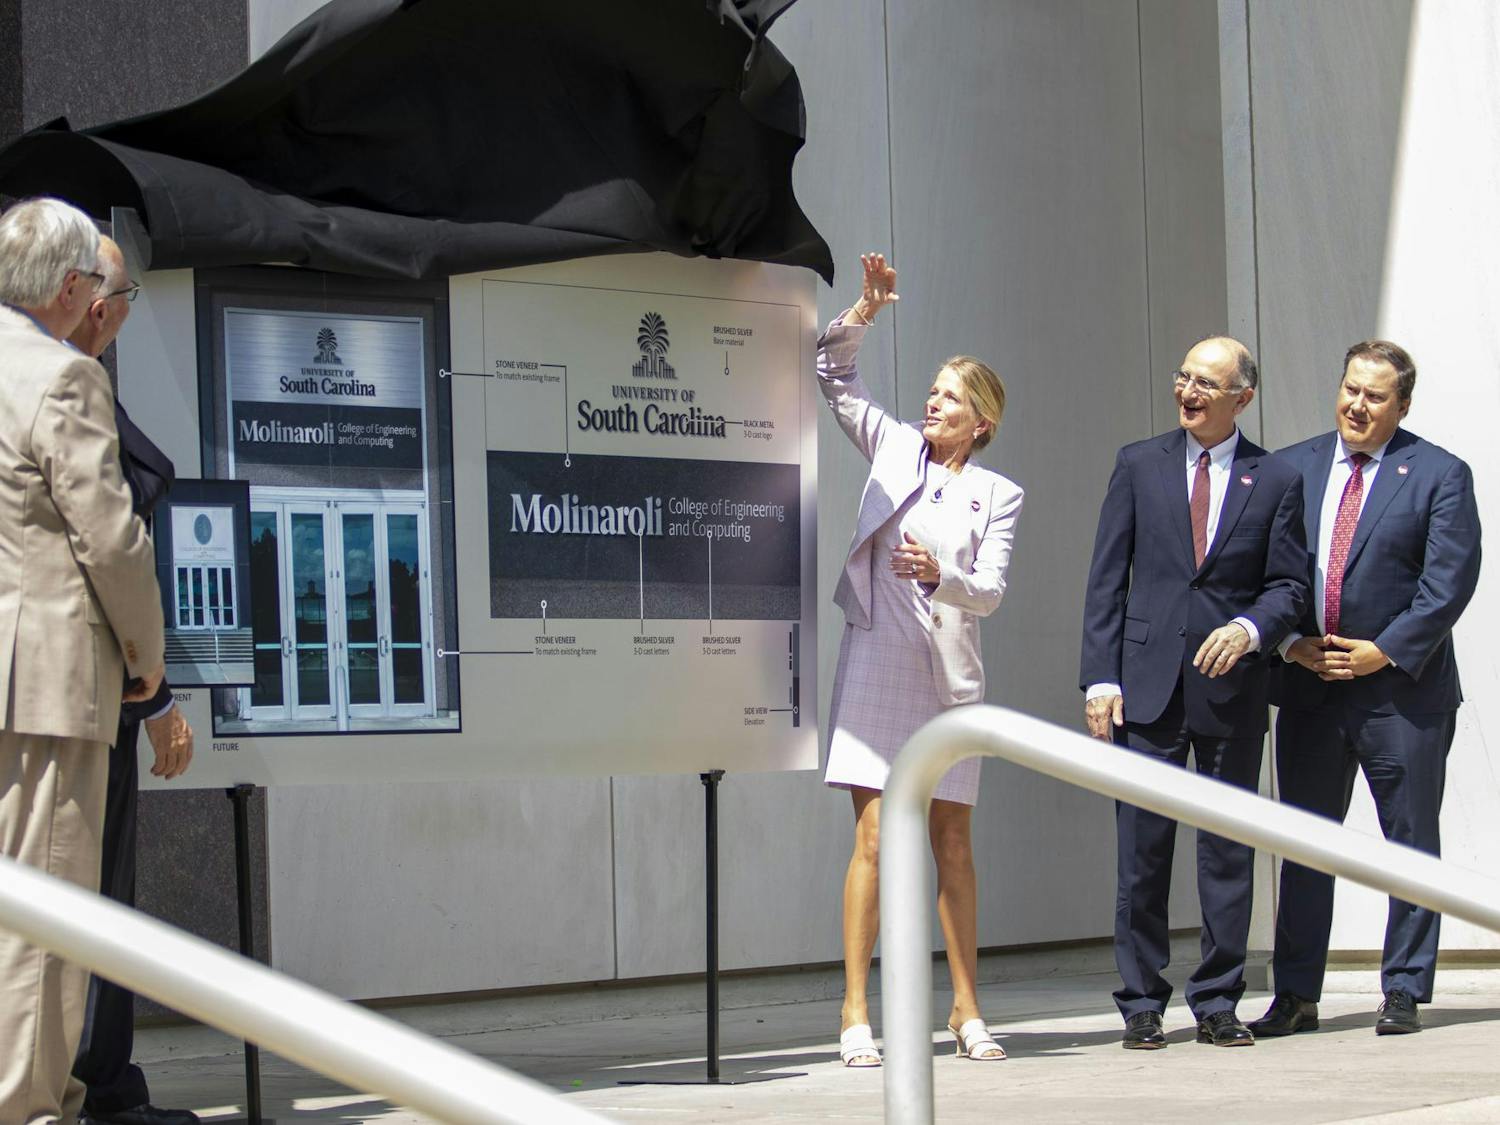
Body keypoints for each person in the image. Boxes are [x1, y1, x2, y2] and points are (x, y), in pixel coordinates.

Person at [821, 253, 1024, 1066]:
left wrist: (943, 574)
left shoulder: (998, 494)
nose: (934, 403)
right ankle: (854, 1012)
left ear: (982, 421)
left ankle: (967, 1009)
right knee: (874, 838)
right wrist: (864, 310)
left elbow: (991, 591)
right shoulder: (895, 446)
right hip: (878, 659)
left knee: (953, 843)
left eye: (951, 397)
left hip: (947, 678)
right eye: (933, 391)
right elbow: (834, 376)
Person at [1080, 336, 1308, 1049]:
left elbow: (1290, 585)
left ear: (1243, 397)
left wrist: (1250, 628)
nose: (1189, 392)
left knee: (1227, 854)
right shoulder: (1138, 464)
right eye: (1184, 377)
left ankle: (1217, 1001)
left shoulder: (1277, 478)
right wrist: (1101, 676)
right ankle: (1142, 1002)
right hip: (1144, 690)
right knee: (1142, 854)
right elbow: (1106, 579)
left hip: (1231, 690)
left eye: (1207, 383)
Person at [1248, 341, 1481, 1040]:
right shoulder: (1290, 467)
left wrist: (1386, 650)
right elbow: (1259, 569)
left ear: (1401, 406)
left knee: (1409, 840)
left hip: (1401, 692)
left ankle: (1404, 987)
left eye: (1375, 396)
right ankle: (1296, 993)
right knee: (1306, 841)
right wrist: (1291, 643)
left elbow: (1448, 582)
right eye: (1350, 388)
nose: (1356, 405)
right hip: (1311, 683)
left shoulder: (1439, 474)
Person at [0, 198, 166, 1124]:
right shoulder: (64, 376)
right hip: (48, 692)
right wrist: (150, 661)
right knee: (45, 926)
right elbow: (112, 540)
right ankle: (27, 1111)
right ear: (70, 289)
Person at [64, 236, 199, 1125]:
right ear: (89, 301)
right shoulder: (67, 384)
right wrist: (156, 692)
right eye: (122, 297)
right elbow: (113, 550)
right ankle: (88, 1089)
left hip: (62, 690)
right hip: (80, 692)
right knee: (84, 894)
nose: (119, 315)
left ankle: (90, 1084)